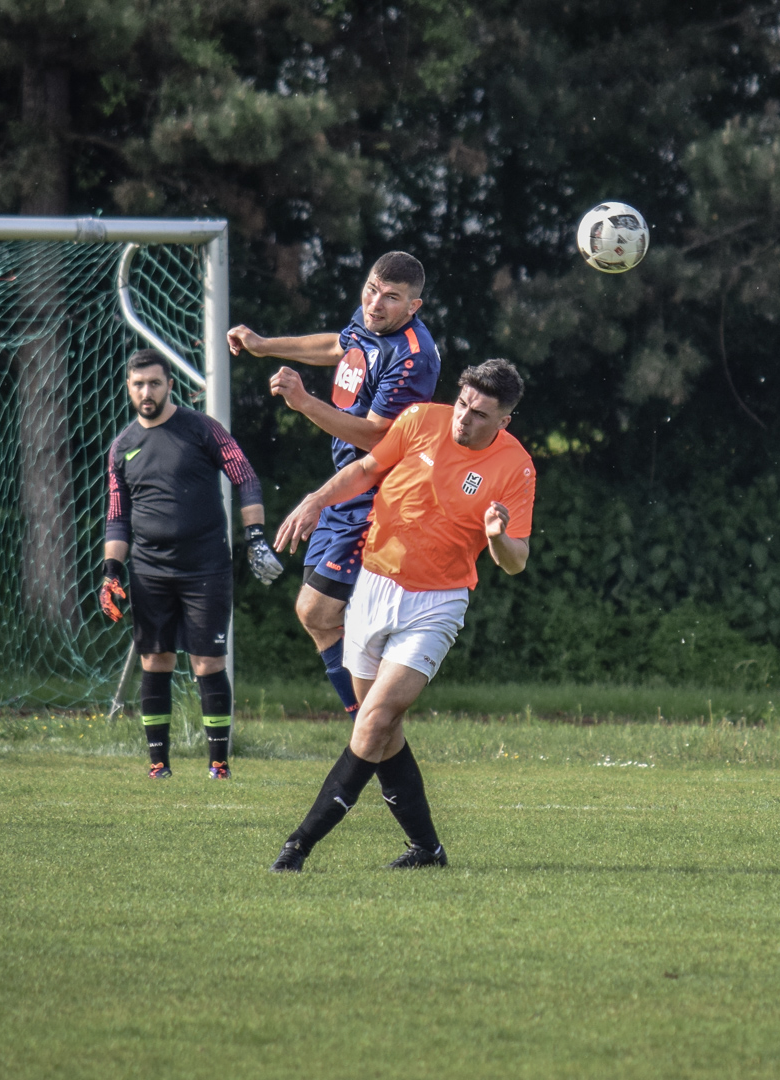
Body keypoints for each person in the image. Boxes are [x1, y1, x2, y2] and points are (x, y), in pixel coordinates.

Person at [266, 359, 534, 871]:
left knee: (373, 722)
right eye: (462, 403)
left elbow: (516, 560)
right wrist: (317, 500)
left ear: (504, 421)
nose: (464, 418)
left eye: (480, 414)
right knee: (384, 733)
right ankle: (427, 849)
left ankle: (298, 846)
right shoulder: (420, 419)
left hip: (436, 604)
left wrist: (498, 538)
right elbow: (367, 469)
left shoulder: (515, 467)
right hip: (373, 587)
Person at [226, 251, 441, 721]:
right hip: (347, 486)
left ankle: (373, 727)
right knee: (316, 615)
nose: (375, 304)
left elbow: (377, 437)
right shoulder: (370, 320)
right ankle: (371, 725)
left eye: (391, 297)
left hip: (379, 493)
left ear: (414, 306)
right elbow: (340, 347)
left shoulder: (413, 356)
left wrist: (304, 402)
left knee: (319, 610)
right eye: (371, 290)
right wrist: (264, 346)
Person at [98, 349, 284, 779]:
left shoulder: (202, 429)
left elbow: (246, 477)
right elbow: (117, 516)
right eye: (139, 384)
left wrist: (255, 538)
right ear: (128, 388)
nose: (147, 392)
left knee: (208, 663)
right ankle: (158, 765)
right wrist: (111, 572)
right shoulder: (122, 446)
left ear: (169, 385)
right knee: (154, 661)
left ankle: (218, 764)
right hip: (149, 571)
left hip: (206, 568)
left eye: (154, 383)